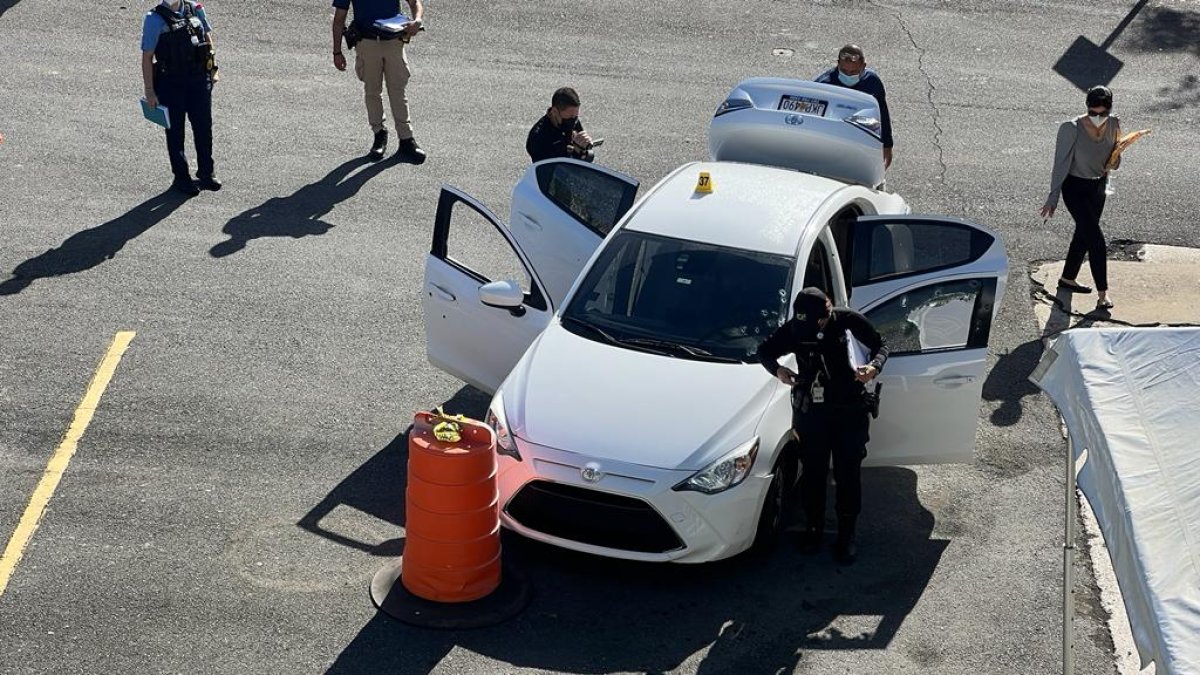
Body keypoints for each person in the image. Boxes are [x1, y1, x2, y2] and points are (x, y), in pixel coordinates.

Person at [757, 287, 888, 564]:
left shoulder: (849, 320)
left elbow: (881, 345)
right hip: (813, 414)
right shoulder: (796, 328)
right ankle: (813, 530)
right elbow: (765, 351)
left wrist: (874, 368)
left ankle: (846, 535)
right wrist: (777, 369)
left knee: (847, 474)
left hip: (849, 412)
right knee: (813, 474)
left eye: (815, 321)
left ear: (826, 314)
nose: (810, 327)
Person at [1040, 85, 1121, 310]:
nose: (1097, 118)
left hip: (1098, 188)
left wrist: (1115, 161)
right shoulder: (1071, 128)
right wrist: (1053, 196)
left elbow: (1114, 159)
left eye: (1102, 113)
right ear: (1086, 108)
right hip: (1074, 188)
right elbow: (1060, 163)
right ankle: (1103, 294)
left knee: (1084, 234)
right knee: (1095, 239)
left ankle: (1067, 278)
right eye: (1093, 113)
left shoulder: (1114, 124)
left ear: (1109, 110)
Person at [141, 0, 221, 196]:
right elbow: (147, 57)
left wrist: (213, 69)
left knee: (203, 127)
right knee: (175, 133)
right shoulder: (154, 19)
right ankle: (181, 177)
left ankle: (206, 173)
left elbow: (208, 39)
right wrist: (150, 90)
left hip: (198, 80)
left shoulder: (195, 8)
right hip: (171, 84)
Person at [332, 0, 426, 163]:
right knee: (373, 92)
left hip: (394, 42)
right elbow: (339, 17)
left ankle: (406, 139)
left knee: (398, 91)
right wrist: (337, 52)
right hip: (367, 43)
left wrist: (417, 20)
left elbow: (414, 2)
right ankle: (379, 134)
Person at [814, 45, 894, 169]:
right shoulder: (824, 85)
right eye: (844, 71)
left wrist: (887, 145)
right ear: (838, 64)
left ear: (863, 66)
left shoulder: (872, 81)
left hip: (861, 140)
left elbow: (882, 112)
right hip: (832, 141)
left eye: (853, 72)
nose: (848, 75)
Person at [526, 87, 595, 163]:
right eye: (569, 118)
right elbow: (555, 169)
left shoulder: (572, 120)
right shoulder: (538, 138)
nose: (573, 121)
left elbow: (585, 157)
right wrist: (576, 152)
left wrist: (585, 147)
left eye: (575, 117)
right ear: (555, 111)